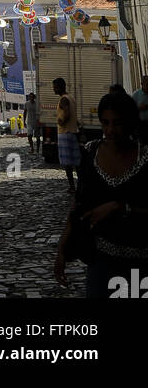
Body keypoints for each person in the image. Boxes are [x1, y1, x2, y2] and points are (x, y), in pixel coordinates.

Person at [54, 91, 148, 298]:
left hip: (142, 262)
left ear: (130, 122)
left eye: (117, 123)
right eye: (105, 123)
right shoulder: (91, 153)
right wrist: (62, 248)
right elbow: (78, 204)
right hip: (102, 261)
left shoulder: (145, 156)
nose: (110, 130)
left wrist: (120, 207)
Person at [53, 76, 80, 195]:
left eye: (55, 87)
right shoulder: (71, 97)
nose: (54, 89)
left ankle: (72, 186)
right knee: (76, 161)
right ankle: (80, 184)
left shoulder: (64, 99)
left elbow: (67, 112)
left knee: (67, 162)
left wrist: (61, 120)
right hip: (73, 131)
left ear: (60, 87)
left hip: (65, 133)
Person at [132, 72, 148, 144]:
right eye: (147, 84)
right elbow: (130, 109)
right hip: (141, 124)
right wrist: (138, 108)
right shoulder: (136, 95)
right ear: (142, 84)